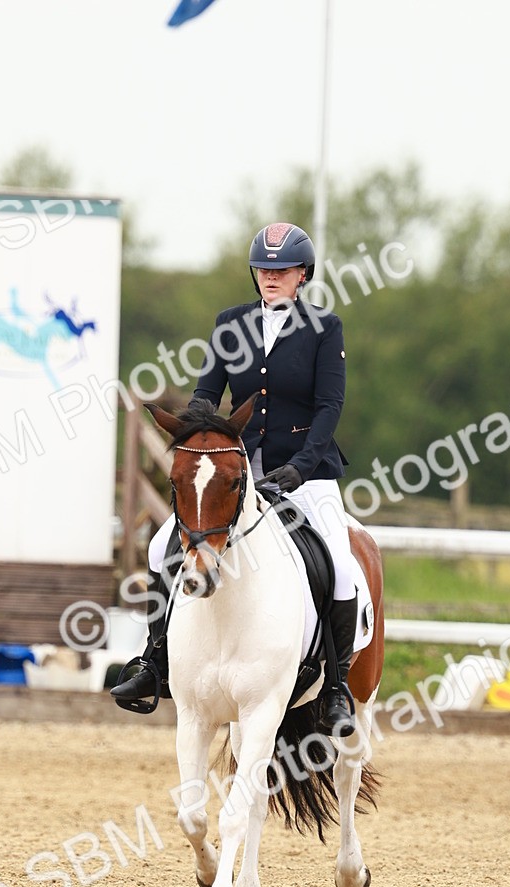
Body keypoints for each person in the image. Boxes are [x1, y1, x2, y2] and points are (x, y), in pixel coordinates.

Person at [112, 221, 358, 736]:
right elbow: (207, 394)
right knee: (162, 550)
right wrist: (197, 432)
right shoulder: (231, 325)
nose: (272, 277)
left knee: (337, 561)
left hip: (308, 473)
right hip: (236, 475)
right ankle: (153, 663)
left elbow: (329, 406)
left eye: (283, 269)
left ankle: (335, 686)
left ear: (302, 274)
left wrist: (301, 467)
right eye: (264, 269)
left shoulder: (323, 328)